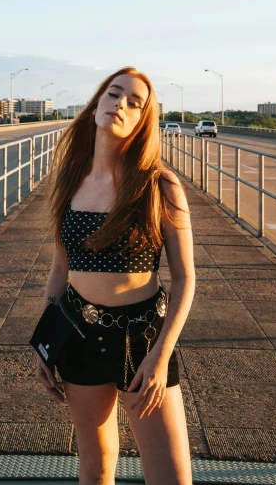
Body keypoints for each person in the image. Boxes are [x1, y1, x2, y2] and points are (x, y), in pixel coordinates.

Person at [36, 66, 195, 485]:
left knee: (171, 477)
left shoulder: (159, 186)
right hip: (79, 336)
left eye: (134, 102)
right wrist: (46, 344)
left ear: (143, 120)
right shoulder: (70, 181)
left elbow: (184, 278)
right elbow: (60, 269)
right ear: (95, 106)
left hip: (143, 338)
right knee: (96, 466)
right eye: (113, 93)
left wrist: (161, 355)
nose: (120, 104)